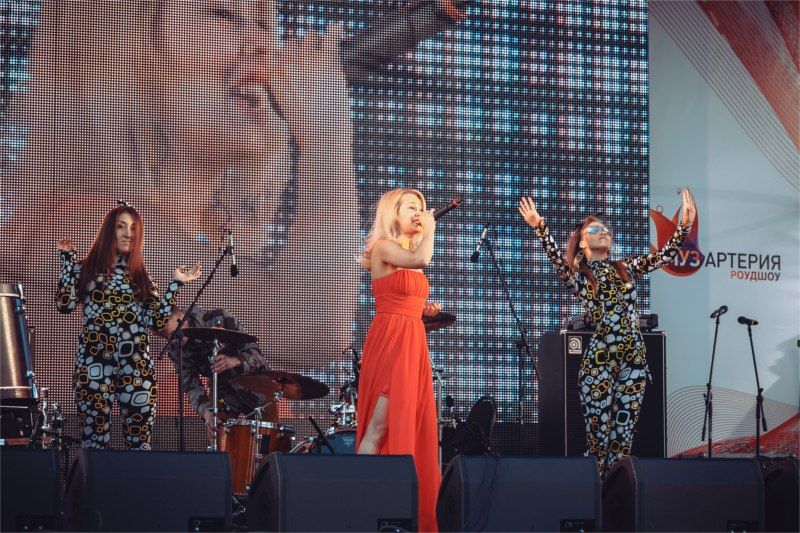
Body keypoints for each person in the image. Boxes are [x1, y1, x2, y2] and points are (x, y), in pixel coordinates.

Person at [2, 0, 359, 379]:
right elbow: (313, 330)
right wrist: (326, 139)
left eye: (264, 24)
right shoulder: (90, 227)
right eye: (224, 14)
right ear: (131, 45)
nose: (264, 45)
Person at [519, 189, 696, 476]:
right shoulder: (580, 276)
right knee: (599, 442)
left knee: (622, 441)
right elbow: (557, 260)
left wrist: (684, 226)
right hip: (599, 364)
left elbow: (663, 256)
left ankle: (617, 494)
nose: (603, 232)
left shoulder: (625, 268)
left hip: (634, 363)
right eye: (594, 229)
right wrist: (540, 226)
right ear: (581, 243)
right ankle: (596, 492)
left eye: (606, 230)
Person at [56, 204, 201, 449]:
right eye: (121, 226)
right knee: (94, 445)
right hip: (94, 364)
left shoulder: (141, 277)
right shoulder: (86, 268)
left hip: (136, 368)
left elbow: (157, 322)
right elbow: (64, 304)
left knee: (139, 448)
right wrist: (67, 262)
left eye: (133, 228)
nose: (128, 233)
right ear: (109, 232)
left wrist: (175, 284)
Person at [355, 188, 443, 532]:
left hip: (412, 340)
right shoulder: (383, 248)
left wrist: (423, 310)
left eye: (421, 208)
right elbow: (421, 260)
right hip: (392, 342)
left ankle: (400, 511)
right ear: (393, 212)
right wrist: (430, 231)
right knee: (379, 427)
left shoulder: (406, 252)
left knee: (409, 424)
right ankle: (361, 508)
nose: (419, 213)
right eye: (411, 207)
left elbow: (405, 293)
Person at [158, 306, 270, 443]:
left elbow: (257, 355)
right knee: (217, 437)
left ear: (181, 318)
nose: (173, 341)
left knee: (268, 442)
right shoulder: (175, 350)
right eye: (167, 338)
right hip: (222, 391)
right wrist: (207, 413)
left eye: (174, 334)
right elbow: (191, 386)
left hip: (258, 387)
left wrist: (235, 361)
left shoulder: (219, 318)